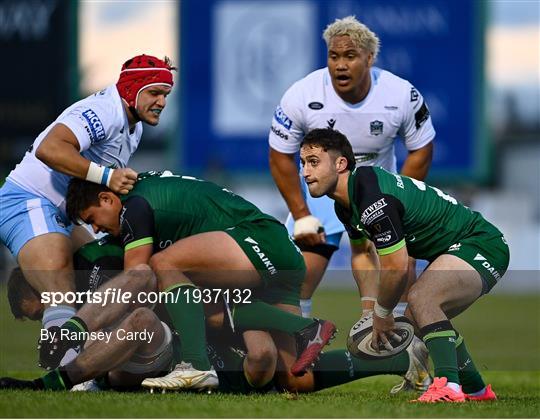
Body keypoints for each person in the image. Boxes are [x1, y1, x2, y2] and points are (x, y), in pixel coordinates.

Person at [3, 250, 430, 395]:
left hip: (203, 333)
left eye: (40, 315)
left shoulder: (105, 262)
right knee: (282, 376)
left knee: (283, 373)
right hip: (184, 345)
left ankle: (396, 358)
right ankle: (397, 359)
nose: (48, 324)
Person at [59, 171, 336, 391]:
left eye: (92, 219)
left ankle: (195, 365)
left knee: (161, 266)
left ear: (107, 199)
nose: (95, 229)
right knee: (293, 379)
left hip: (257, 239)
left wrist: (94, 346)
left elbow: (137, 279)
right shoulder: (145, 194)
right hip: (278, 255)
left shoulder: (134, 206)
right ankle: (372, 355)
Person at [298, 128, 509, 402]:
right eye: (302, 163)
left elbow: (397, 267)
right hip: (461, 247)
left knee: (423, 298)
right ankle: (476, 389)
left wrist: (382, 313)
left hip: (481, 244)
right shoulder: (346, 204)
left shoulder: (372, 199)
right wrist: (369, 310)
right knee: (418, 319)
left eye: (313, 162)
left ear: (341, 164)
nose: (305, 172)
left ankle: (448, 387)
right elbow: (363, 253)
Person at [0, 54, 175, 365]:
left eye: (166, 94)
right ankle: (65, 377)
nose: (162, 102)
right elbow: (49, 148)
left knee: (100, 280)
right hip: (28, 199)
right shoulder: (104, 111)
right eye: (154, 93)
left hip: (64, 212)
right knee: (62, 292)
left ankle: (95, 367)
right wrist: (106, 176)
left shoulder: (133, 128)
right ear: (132, 91)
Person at [268, 16, 435, 320]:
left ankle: (401, 344)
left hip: (377, 188)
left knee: (402, 268)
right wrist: (302, 214)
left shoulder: (400, 95)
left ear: (369, 58)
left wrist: (399, 200)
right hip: (322, 194)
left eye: (350, 56)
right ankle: (300, 352)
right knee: (296, 275)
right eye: (334, 56)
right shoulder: (302, 95)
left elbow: (421, 148)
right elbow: (280, 155)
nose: (340, 65)